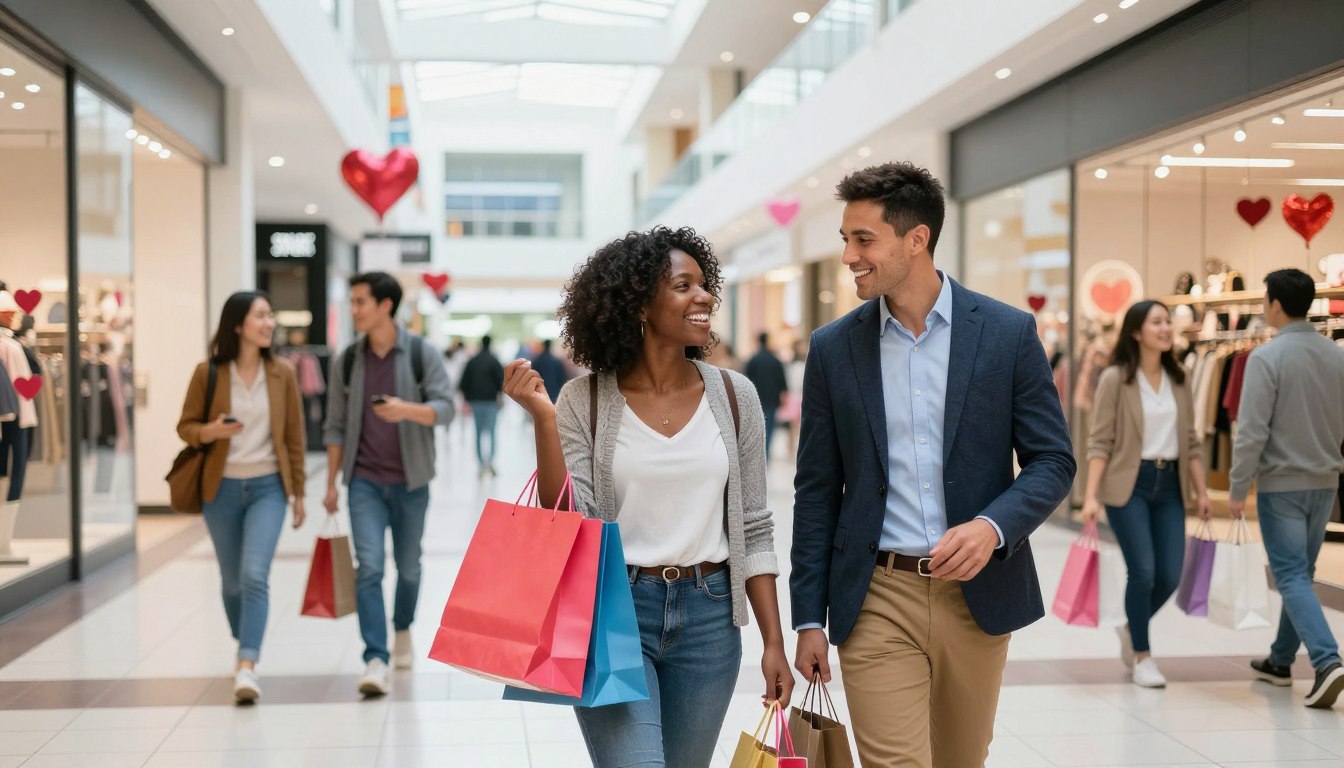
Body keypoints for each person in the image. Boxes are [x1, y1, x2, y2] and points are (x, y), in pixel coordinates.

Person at [790, 162, 1075, 767]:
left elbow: (1053, 460)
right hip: (875, 594)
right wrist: (808, 617)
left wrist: (992, 527)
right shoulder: (833, 348)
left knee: (960, 760)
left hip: (977, 592)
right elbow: (816, 490)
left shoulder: (1006, 333)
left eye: (863, 239)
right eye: (845, 239)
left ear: (916, 239)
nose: (849, 256)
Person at [503, 226, 792, 767]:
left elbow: (754, 525)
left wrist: (773, 641)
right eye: (684, 286)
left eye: (704, 285)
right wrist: (544, 420)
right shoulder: (583, 400)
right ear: (639, 305)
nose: (704, 296)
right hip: (614, 611)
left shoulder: (736, 396)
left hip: (710, 621)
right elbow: (569, 520)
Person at [322, 272, 455, 697]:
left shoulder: (419, 352)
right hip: (363, 482)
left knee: (410, 567)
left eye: (360, 301)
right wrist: (330, 483)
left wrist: (406, 410)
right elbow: (336, 425)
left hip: (411, 482)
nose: (354, 309)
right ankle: (375, 656)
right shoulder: (348, 359)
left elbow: (446, 408)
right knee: (370, 569)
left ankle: (402, 628)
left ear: (384, 305)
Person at [176, 291, 306, 703]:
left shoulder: (283, 372)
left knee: (254, 575)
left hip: (268, 486)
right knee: (232, 583)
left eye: (271, 315)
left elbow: (294, 437)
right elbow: (186, 427)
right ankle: (245, 635)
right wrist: (210, 432)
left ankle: (246, 663)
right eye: (261, 316)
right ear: (237, 325)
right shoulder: (208, 372)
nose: (269, 323)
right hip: (221, 488)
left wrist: (299, 493)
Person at [1228, 268, 1344, 709]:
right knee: (1302, 573)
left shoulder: (1267, 358)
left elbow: (1252, 431)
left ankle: (1327, 660)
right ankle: (1280, 660)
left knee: (1291, 575)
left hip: (1282, 485)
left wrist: (1238, 487)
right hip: (1325, 481)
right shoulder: (1337, 356)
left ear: (1274, 304)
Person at [1083, 299, 1210, 688]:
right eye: (1157, 322)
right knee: (1143, 572)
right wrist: (1090, 496)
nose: (1166, 328)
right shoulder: (1115, 379)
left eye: (1168, 322)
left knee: (1170, 575)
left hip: (1170, 483)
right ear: (1136, 332)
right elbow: (1100, 441)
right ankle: (1142, 656)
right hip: (1129, 485)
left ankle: (1130, 625)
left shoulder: (1180, 379)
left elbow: (1190, 441)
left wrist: (1203, 492)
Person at [459, 335, 505, 476]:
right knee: (491, 432)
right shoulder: (494, 361)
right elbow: (502, 381)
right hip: (491, 402)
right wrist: (500, 396)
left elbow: (463, 382)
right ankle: (490, 462)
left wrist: (466, 398)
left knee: (478, 433)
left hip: (476, 401)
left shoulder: (472, 361)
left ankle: (480, 464)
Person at [744, 332, 788, 460]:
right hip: (772, 399)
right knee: (769, 428)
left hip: (757, 399)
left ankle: (759, 454)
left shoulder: (753, 360)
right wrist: (783, 395)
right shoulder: (775, 360)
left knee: (758, 429)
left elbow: (746, 379)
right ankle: (766, 455)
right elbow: (782, 380)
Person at [530, 338, 572, 403]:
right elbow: (562, 376)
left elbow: (533, 374)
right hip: (555, 391)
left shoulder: (537, 360)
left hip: (541, 390)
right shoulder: (556, 360)